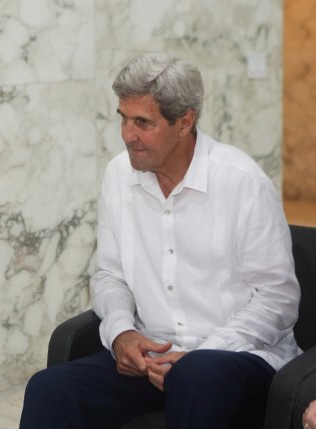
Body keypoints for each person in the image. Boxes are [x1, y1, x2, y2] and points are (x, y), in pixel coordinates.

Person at [19, 51, 300, 428]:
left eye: (142, 122)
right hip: (151, 359)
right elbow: (110, 276)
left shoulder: (241, 181)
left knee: (197, 376)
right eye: (123, 118)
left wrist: (202, 354)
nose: (127, 135)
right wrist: (122, 333)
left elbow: (277, 299)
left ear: (184, 122)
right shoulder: (118, 175)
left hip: (235, 358)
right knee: (49, 388)